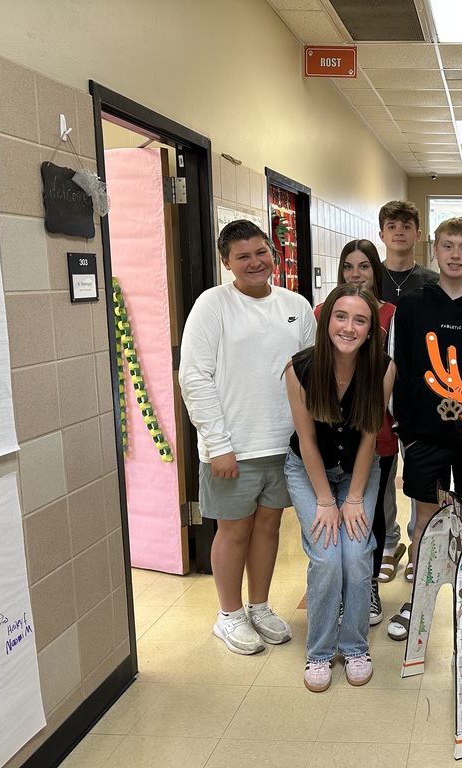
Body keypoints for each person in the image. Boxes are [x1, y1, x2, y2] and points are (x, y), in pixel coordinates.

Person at [180, 219, 315, 655]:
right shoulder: (213, 305)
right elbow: (194, 377)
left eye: (261, 252)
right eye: (243, 256)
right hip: (233, 448)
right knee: (233, 531)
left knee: (269, 528)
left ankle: (259, 606)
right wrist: (218, 444)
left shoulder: (296, 305)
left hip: (284, 444)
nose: (255, 262)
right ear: (226, 262)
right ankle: (229, 614)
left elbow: (312, 372)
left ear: (273, 254)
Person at [387, 216, 462, 639]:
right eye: (448, 246)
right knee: (425, 521)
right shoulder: (413, 304)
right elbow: (399, 368)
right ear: (433, 250)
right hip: (426, 434)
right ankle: (419, 602)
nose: (455, 255)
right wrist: (407, 431)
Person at [284, 283, 396, 692]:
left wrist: (352, 498)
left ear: (371, 330)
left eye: (360, 320)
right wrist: (326, 501)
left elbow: (369, 436)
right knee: (328, 557)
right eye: (341, 317)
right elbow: (307, 441)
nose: (349, 327)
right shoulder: (299, 369)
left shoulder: (383, 368)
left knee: (358, 554)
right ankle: (319, 652)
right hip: (308, 470)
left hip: (358, 472)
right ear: (326, 320)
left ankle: (354, 647)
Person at [314, 239, 398, 627]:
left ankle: (369, 587)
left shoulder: (391, 313)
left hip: (377, 429)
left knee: (370, 513)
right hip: (331, 435)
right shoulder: (323, 312)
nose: (356, 274)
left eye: (364, 266)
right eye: (348, 266)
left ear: (376, 271)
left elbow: (395, 370)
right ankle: (338, 592)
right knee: (331, 514)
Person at [376, 200, 438, 583]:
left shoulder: (432, 282)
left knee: (419, 472)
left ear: (418, 234)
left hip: (419, 392)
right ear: (382, 233)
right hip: (374, 392)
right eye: (391, 225)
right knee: (380, 473)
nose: (399, 231)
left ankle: (419, 544)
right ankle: (387, 542)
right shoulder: (370, 277)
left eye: (406, 226)